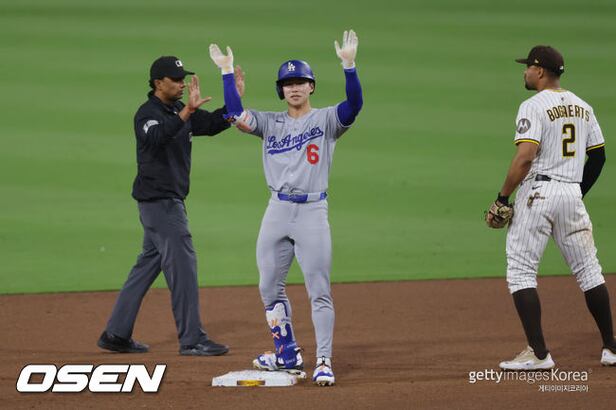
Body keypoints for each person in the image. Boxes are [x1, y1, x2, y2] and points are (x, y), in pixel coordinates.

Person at [208, 30, 363, 385]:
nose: (294, 88)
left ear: (311, 87)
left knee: (318, 290)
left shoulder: (326, 120)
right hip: (276, 211)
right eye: (288, 83)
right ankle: (287, 353)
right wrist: (227, 72)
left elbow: (354, 105)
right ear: (281, 90)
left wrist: (349, 66)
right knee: (268, 288)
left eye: (301, 82)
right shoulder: (268, 123)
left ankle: (323, 360)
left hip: (312, 212)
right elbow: (235, 113)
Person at [97, 56, 243, 356]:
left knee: (146, 267)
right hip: (160, 204)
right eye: (176, 79)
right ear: (157, 83)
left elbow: (213, 125)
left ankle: (116, 333)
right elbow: (156, 137)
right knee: (184, 268)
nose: (182, 84)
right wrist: (188, 111)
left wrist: (234, 101)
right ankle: (192, 339)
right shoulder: (146, 114)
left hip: (165, 204)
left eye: (182, 78)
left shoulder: (178, 109)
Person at [485, 45, 616, 369]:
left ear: (540, 71)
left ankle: (539, 353)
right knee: (589, 270)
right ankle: (611, 347)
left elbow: (525, 157)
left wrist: (502, 198)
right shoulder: (583, 107)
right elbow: (598, 157)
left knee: (521, 271)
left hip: (539, 193)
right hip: (571, 194)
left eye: (528, 67)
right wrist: (576, 192)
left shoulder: (533, 106)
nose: (525, 72)